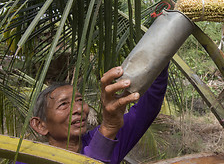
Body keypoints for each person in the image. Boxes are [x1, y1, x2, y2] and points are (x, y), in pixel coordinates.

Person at [17, 65, 168, 164]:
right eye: (63, 104)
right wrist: (108, 128)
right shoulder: (29, 159)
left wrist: (160, 50)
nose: (78, 109)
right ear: (40, 125)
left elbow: (148, 107)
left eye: (80, 100)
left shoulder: (106, 138)